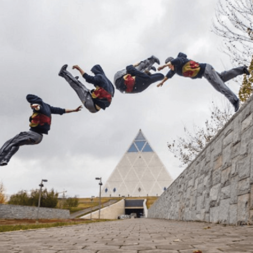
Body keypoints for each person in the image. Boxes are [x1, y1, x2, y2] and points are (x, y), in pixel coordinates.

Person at [0, 94, 82, 166]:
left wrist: (34, 106)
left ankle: (1, 157)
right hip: (39, 138)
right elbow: (61, 110)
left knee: (9, 142)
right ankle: (5, 160)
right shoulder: (48, 107)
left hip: (32, 133)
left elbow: (37, 107)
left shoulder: (39, 106)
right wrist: (74, 110)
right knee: (16, 144)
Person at [157, 52, 250, 112]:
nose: (170, 68)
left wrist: (163, 66)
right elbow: (168, 75)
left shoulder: (179, 60)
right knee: (222, 78)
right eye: (169, 67)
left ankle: (234, 100)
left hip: (206, 70)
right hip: (206, 72)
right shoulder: (174, 70)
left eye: (170, 66)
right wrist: (162, 82)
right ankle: (242, 69)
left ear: (172, 62)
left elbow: (172, 62)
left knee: (219, 86)